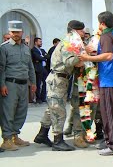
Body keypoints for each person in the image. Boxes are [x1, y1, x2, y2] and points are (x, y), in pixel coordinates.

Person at [33, 20, 86, 151]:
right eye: (81, 30)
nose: (83, 33)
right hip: (58, 79)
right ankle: (58, 141)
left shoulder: (71, 42)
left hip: (61, 79)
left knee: (52, 108)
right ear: (75, 31)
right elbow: (69, 62)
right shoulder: (68, 43)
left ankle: (42, 134)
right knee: (58, 110)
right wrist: (83, 56)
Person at [79, 11, 113, 156]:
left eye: (99, 22)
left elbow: (108, 55)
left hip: (110, 81)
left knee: (109, 114)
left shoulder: (106, 36)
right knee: (112, 113)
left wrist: (87, 57)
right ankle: (109, 141)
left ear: (102, 23)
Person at [0, 20, 37, 151]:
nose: (16, 34)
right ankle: (7, 140)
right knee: (8, 112)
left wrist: (33, 82)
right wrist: (2, 84)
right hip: (10, 84)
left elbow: (30, 67)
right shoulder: (4, 48)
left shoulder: (26, 48)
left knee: (21, 111)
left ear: (22, 32)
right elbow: (1, 68)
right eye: (13, 32)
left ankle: (15, 136)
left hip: (23, 84)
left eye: (18, 32)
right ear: (9, 32)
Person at [31, 37, 49, 103]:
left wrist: (42, 57)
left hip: (44, 68)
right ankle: (38, 98)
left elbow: (48, 56)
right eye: (39, 42)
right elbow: (37, 57)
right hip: (38, 68)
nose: (41, 43)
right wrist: (43, 58)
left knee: (45, 82)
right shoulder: (33, 50)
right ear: (36, 42)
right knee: (38, 83)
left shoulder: (42, 50)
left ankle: (43, 97)